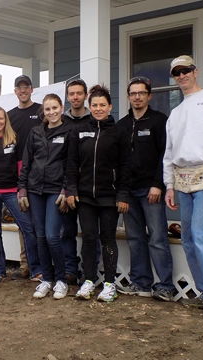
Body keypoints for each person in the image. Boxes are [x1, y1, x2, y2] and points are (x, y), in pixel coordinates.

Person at [163, 55, 203, 319]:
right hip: (182, 178)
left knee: (202, 237)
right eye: (177, 72)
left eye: (186, 70)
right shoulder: (175, 113)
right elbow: (169, 152)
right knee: (188, 239)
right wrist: (168, 185)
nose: (182, 75)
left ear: (195, 71)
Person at [66, 84, 131, 303]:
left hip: (109, 197)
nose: (98, 108)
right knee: (89, 238)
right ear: (89, 106)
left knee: (108, 239)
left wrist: (122, 195)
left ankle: (110, 284)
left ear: (110, 106)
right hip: (84, 197)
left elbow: (125, 166)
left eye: (102, 105)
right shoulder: (79, 129)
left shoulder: (119, 131)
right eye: (94, 105)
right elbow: (72, 163)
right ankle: (88, 280)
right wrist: (71, 190)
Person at [116, 76, 175, 301]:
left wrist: (158, 184)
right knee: (135, 238)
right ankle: (141, 283)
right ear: (128, 97)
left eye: (141, 93)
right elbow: (118, 160)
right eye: (133, 93)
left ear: (149, 96)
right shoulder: (122, 125)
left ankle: (166, 286)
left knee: (158, 238)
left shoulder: (160, 121)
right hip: (128, 192)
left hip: (151, 191)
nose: (137, 97)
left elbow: (165, 155)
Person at [0, 106, 42, 284]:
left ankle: (35, 270)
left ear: (6, 120)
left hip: (13, 191)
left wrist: (21, 189)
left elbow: (21, 166)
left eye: (1, 119)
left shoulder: (14, 140)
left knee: (28, 229)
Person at [18, 94, 72, 298]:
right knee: (40, 236)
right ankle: (46, 279)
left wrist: (66, 190)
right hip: (35, 190)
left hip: (55, 191)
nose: (51, 112)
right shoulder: (35, 132)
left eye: (55, 108)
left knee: (52, 236)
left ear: (61, 107)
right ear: (44, 111)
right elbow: (27, 162)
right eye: (47, 109)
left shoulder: (69, 131)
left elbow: (71, 164)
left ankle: (60, 280)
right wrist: (22, 188)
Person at [7, 75, 42, 279]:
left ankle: (42, 265)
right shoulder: (10, 116)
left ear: (31, 89)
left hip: (40, 173)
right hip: (18, 175)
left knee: (39, 222)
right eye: (19, 87)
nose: (22, 90)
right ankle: (25, 264)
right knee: (23, 222)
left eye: (26, 87)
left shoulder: (40, 111)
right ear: (15, 91)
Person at [61, 79, 92, 285]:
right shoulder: (61, 121)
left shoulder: (95, 119)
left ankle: (90, 273)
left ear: (85, 95)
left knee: (91, 232)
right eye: (71, 93)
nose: (75, 97)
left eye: (79, 93)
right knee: (68, 231)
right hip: (65, 185)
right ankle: (70, 270)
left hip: (90, 184)